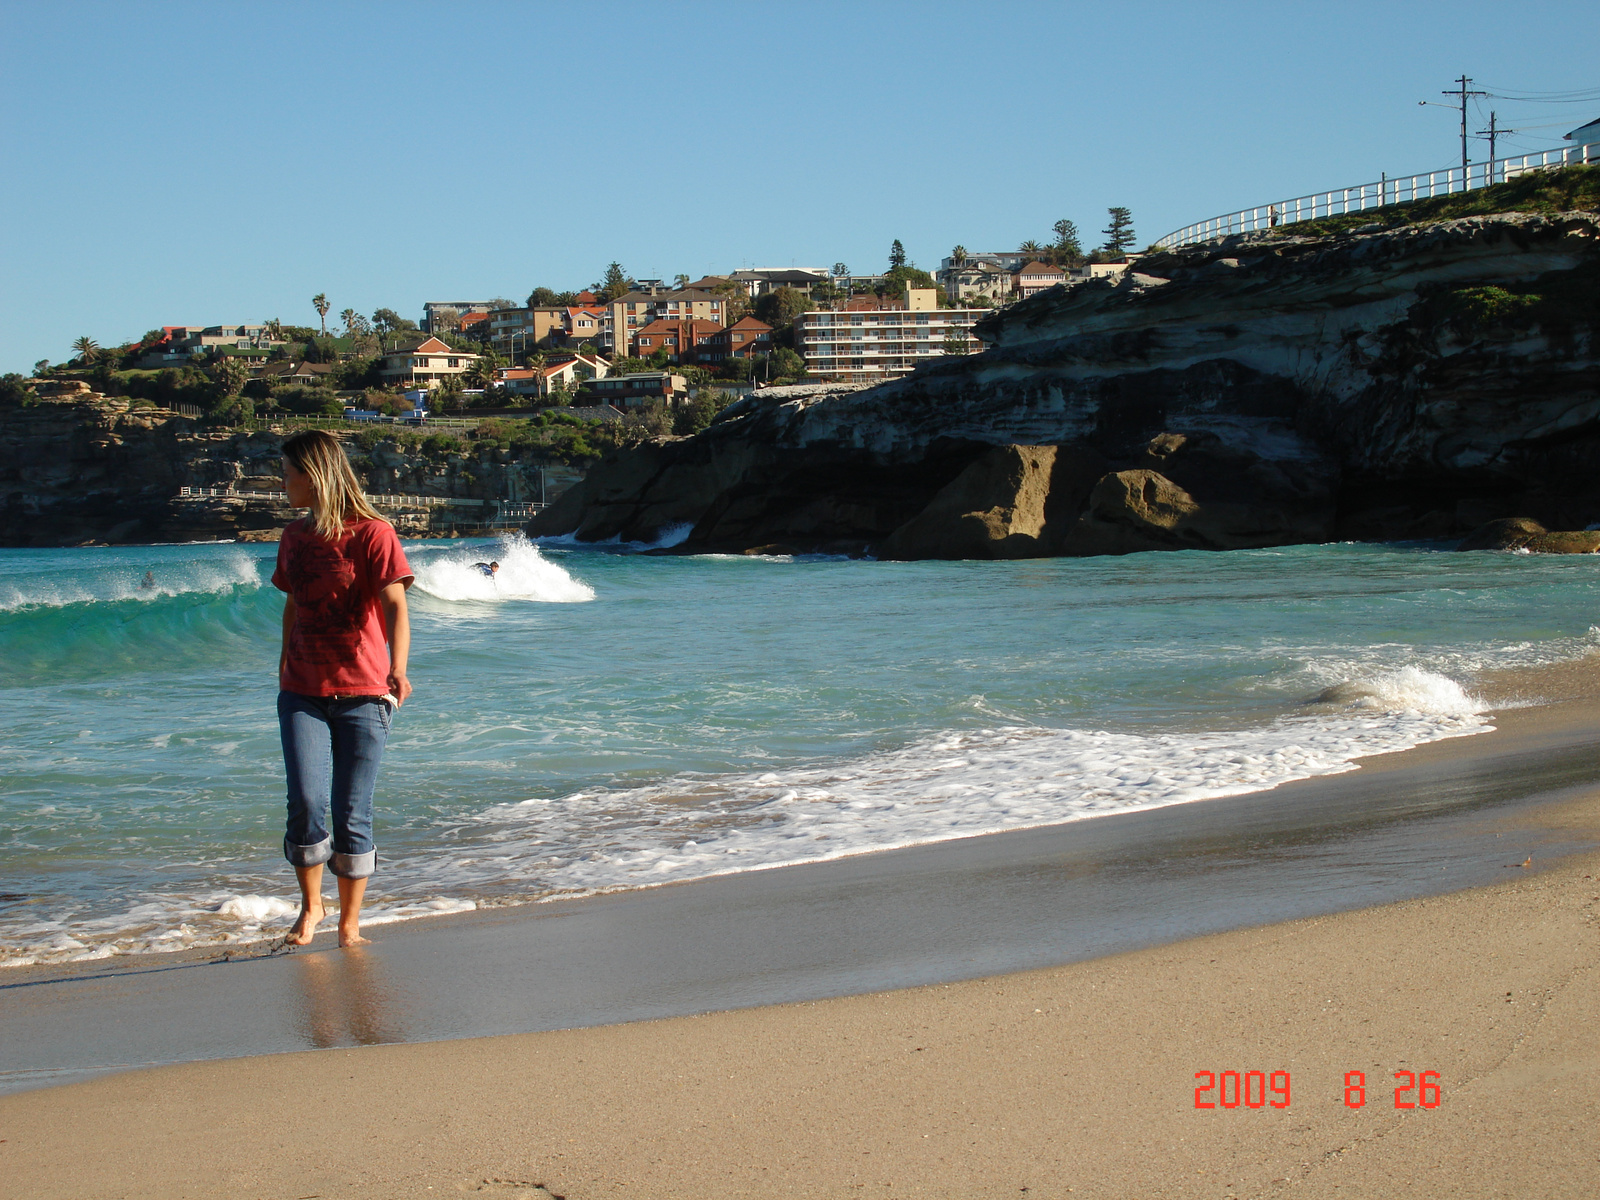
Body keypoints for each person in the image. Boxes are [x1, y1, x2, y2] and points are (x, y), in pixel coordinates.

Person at [273, 429, 414, 948]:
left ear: (314, 475)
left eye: (288, 473)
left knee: (352, 809)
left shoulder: (374, 533)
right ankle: (311, 907)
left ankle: (349, 924)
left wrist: (398, 670)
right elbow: (291, 603)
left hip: (363, 692)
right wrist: (284, 659)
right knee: (306, 802)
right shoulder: (293, 538)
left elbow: (396, 605)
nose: (283, 482)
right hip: (302, 691)